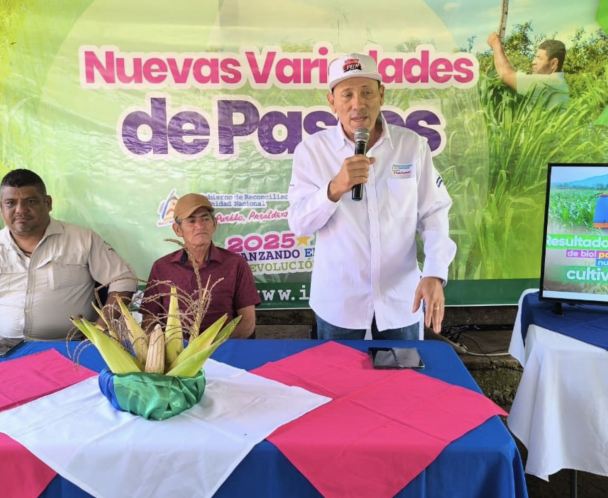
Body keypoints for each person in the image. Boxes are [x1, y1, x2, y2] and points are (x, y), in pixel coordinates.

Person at [288, 53, 456, 340]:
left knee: (403, 382)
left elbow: (434, 213)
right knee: (338, 385)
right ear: (332, 102)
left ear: (381, 95)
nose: (358, 104)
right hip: (339, 303)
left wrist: (435, 272)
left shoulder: (411, 146)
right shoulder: (312, 151)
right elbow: (299, 223)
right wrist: (334, 188)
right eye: (347, 95)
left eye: (367, 92)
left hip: (402, 300)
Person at [0, 169, 137, 343]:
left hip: (72, 348)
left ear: (48, 203)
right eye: (11, 203)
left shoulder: (82, 239)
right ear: (1, 208)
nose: (20, 210)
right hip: (6, 352)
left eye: (31, 201)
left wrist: (99, 331)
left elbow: (123, 280)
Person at [140, 193, 260, 338]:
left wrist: (212, 347)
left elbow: (247, 323)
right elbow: (149, 322)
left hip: (223, 350)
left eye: (205, 219)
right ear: (178, 230)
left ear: (214, 224)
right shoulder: (162, 267)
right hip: (176, 355)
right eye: (191, 221)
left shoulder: (235, 264)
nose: (200, 226)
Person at [487, 32, 569, 110]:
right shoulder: (559, 82)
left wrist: (496, 45)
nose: (533, 62)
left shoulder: (548, 83)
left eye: (539, 58)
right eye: (535, 57)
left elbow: (506, 75)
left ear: (553, 64)